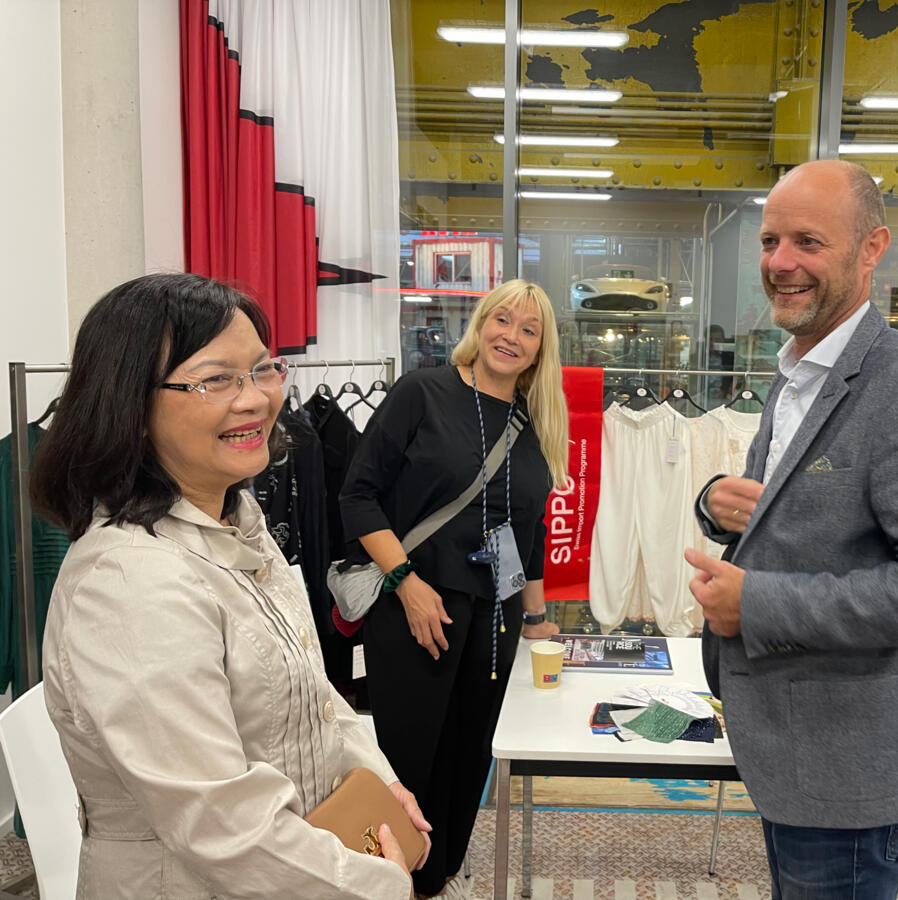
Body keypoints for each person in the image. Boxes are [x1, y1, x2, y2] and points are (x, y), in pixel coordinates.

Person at [31, 273, 429, 900]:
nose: (256, 399)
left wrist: (380, 782)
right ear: (130, 404)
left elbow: (312, 693)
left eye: (263, 370)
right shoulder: (130, 582)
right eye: (216, 379)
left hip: (297, 862)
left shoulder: (237, 522)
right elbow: (220, 825)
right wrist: (378, 885)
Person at [685, 159, 898, 900]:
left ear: (871, 249)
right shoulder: (799, 372)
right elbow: (799, 518)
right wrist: (714, 503)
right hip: (789, 741)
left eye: (808, 242)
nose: (780, 262)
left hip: (844, 761)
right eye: (770, 241)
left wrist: (756, 603)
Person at [340, 278, 567, 898]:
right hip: (416, 605)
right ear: (481, 323)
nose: (511, 337)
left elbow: (529, 531)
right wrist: (404, 581)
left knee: (471, 755)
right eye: (502, 320)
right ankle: (392, 880)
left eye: (529, 330)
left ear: (541, 348)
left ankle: (437, 877)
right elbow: (358, 496)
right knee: (410, 758)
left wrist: (537, 619)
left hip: (495, 619)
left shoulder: (533, 421)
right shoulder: (423, 393)